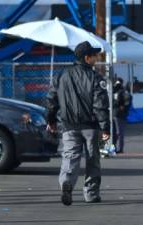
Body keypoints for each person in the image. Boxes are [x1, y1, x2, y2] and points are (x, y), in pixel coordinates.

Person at [46, 41, 110, 206]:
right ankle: (91, 194)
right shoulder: (95, 78)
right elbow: (100, 105)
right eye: (95, 55)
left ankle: (67, 181)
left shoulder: (61, 76)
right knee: (92, 160)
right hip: (91, 126)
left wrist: (51, 121)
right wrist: (105, 127)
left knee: (70, 157)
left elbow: (51, 101)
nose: (97, 58)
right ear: (87, 58)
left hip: (68, 126)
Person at [113, 77, 130, 153]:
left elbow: (116, 102)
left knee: (118, 132)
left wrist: (121, 105)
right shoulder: (124, 91)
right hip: (120, 114)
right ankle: (118, 148)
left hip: (116, 113)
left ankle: (118, 148)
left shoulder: (117, 92)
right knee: (119, 132)